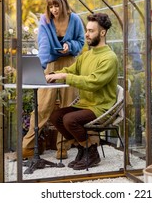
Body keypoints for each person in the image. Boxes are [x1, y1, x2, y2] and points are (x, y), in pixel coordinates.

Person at [47, 13, 118, 170]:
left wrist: (65, 76)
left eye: (91, 31)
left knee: (69, 120)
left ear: (102, 33)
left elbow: (93, 83)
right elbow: (71, 69)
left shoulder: (109, 58)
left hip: (101, 107)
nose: (86, 34)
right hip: (85, 104)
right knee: (56, 116)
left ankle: (91, 152)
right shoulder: (86, 55)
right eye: (87, 30)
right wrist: (52, 75)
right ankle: (82, 148)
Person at [22, 0, 85, 159]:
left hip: (70, 65)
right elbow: (43, 45)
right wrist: (40, 68)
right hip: (49, 65)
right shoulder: (45, 20)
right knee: (42, 106)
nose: (54, 10)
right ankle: (27, 146)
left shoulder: (75, 19)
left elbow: (81, 41)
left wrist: (70, 46)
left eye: (56, 5)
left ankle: (62, 148)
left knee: (67, 106)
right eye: (51, 6)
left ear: (63, 5)